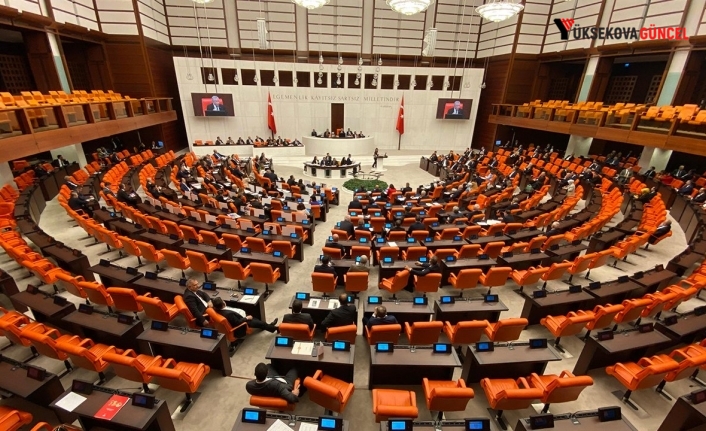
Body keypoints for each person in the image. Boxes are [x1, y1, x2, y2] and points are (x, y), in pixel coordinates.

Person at [212, 297, 278, 337]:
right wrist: (247, 318)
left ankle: (269, 326)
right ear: (223, 304)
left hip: (240, 316)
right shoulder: (228, 314)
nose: (224, 301)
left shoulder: (216, 309)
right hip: (243, 323)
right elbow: (237, 322)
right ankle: (276, 328)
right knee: (261, 323)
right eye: (223, 301)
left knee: (257, 320)